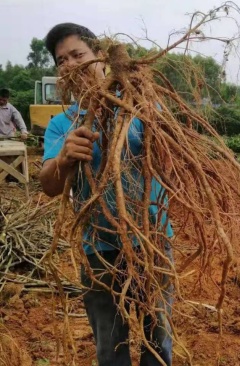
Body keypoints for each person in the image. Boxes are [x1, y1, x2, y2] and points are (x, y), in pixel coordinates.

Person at [40, 23, 174, 366]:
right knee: (109, 347)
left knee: (159, 342)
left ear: (101, 57)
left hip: (153, 240)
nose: (70, 65)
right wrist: (65, 158)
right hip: (97, 249)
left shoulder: (145, 110)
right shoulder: (62, 125)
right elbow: (48, 186)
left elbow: (171, 166)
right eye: (61, 61)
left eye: (77, 55)